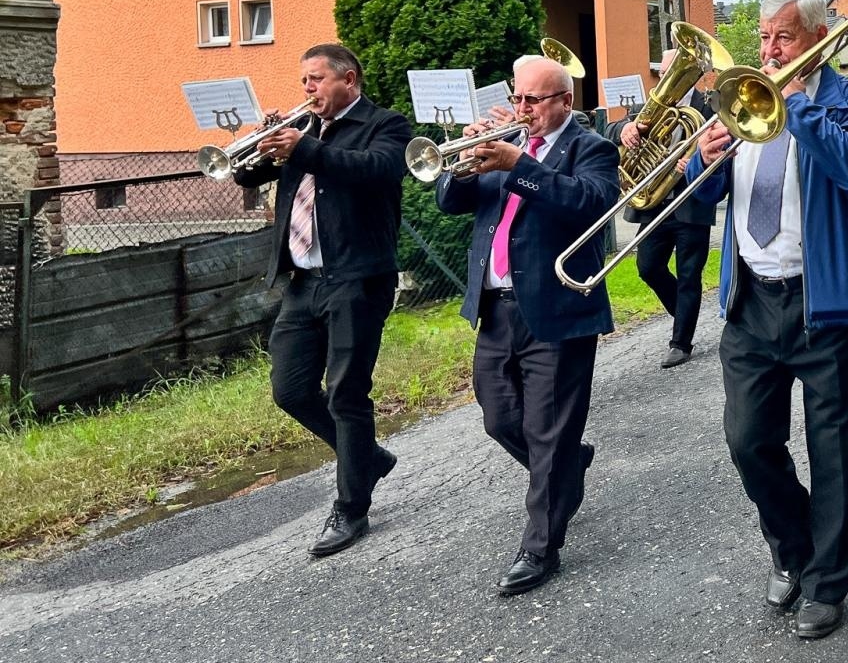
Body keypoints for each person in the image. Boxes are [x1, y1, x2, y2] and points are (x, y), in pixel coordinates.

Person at [685, 0, 848, 642]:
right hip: (751, 300)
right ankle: (793, 547)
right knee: (748, 441)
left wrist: (799, 105)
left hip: (826, 301)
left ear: (817, 40)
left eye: (784, 37)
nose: (769, 50)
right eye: (765, 38)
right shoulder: (741, 100)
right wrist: (701, 162)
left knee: (838, 454)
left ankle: (828, 583)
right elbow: (701, 191)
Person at [436, 54, 620, 596]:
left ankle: (539, 548)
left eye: (533, 100)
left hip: (559, 311)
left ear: (564, 101)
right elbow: (449, 201)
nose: (522, 109)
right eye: (518, 98)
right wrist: (464, 157)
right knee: (500, 420)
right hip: (496, 310)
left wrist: (520, 164)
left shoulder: (590, 147)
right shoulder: (500, 148)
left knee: (546, 431)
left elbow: (592, 204)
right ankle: (568, 463)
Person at [235, 43, 411, 558]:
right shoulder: (303, 132)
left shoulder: (386, 125)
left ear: (348, 81)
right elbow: (246, 176)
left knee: (346, 393)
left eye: (315, 79)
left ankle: (351, 507)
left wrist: (302, 148)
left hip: (357, 278)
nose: (307, 90)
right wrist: (257, 143)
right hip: (302, 282)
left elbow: (374, 170)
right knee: (290, 390)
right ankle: (366, 458)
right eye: (303, 81)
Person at [607, 47, 716, 369]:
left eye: (677, 73)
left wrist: (698, 161)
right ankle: (683, 312)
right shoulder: (648, 109)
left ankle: (680, 341)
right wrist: (624, 130)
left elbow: (724, 147)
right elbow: (609, 131)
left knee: (688, 275)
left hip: (691, 204)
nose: (669, 79)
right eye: (666, 73)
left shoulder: (709, 107)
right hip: (655, 204)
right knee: (648, 267)